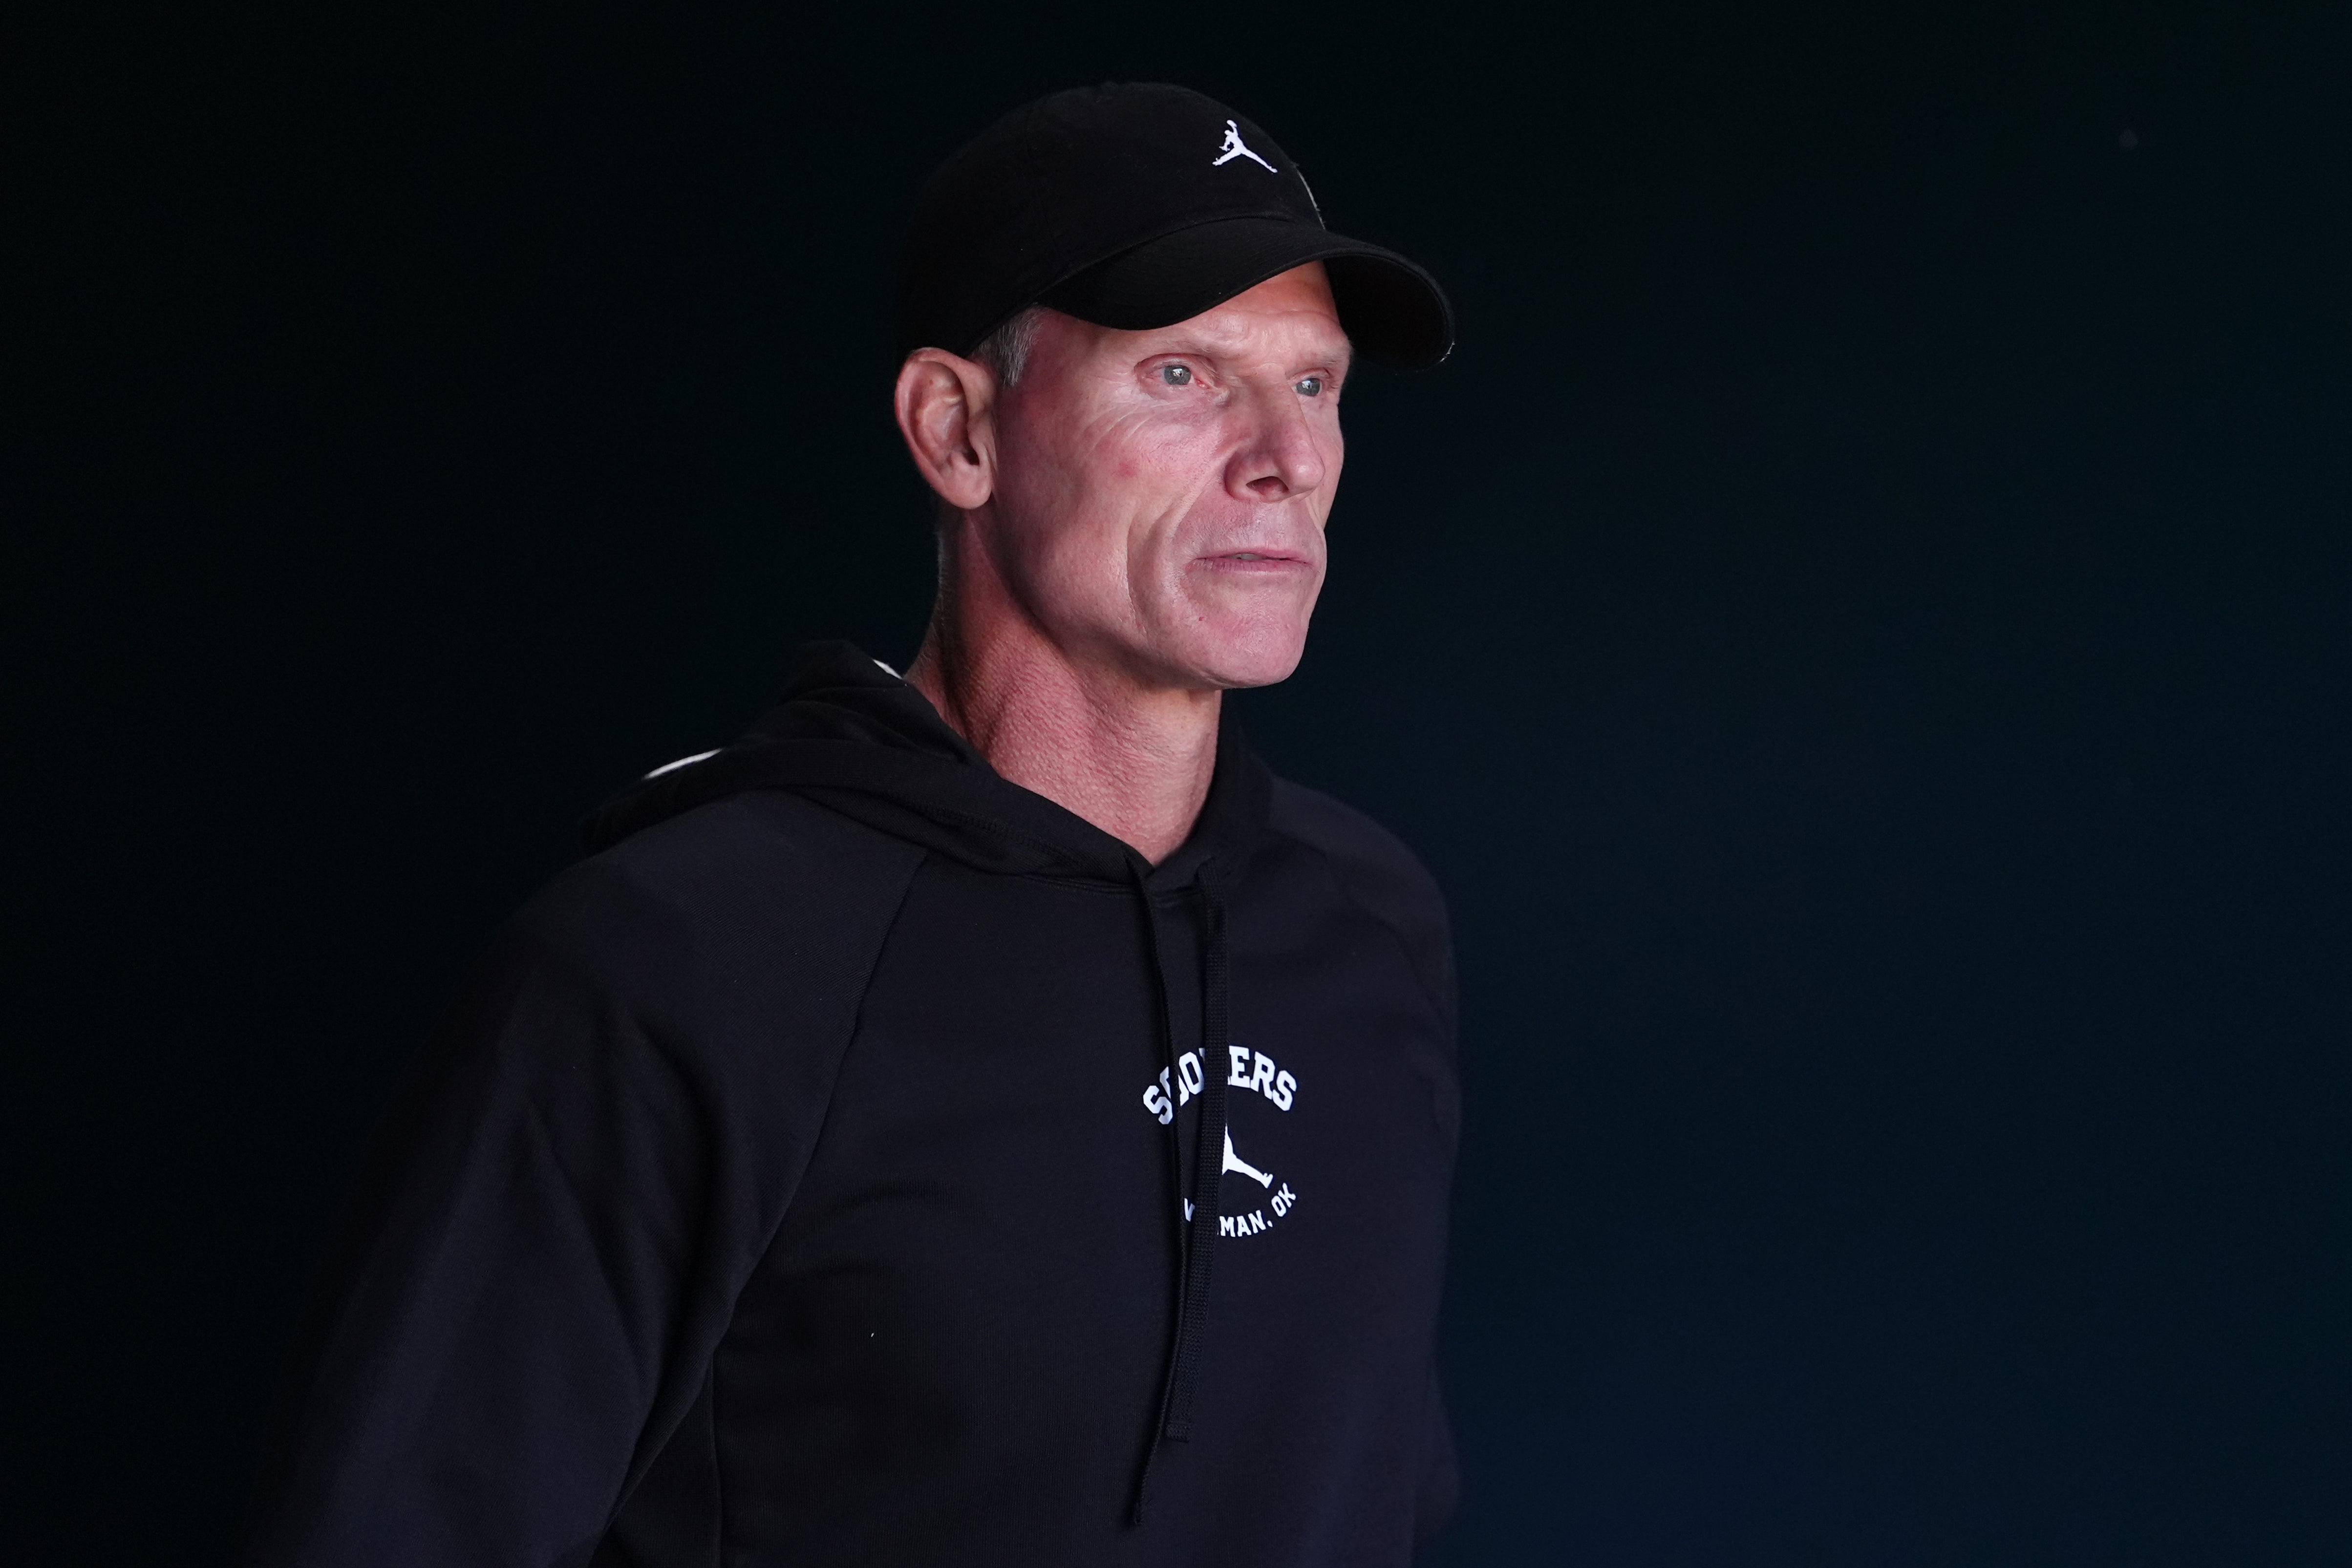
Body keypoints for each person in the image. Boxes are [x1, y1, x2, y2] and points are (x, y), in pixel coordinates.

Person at [241, 82, 1462, 1568]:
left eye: (1317, 384)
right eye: (1184, 378)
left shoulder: (1367, 927)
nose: (1286, 457)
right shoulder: (677, 965)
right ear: (957, 431)